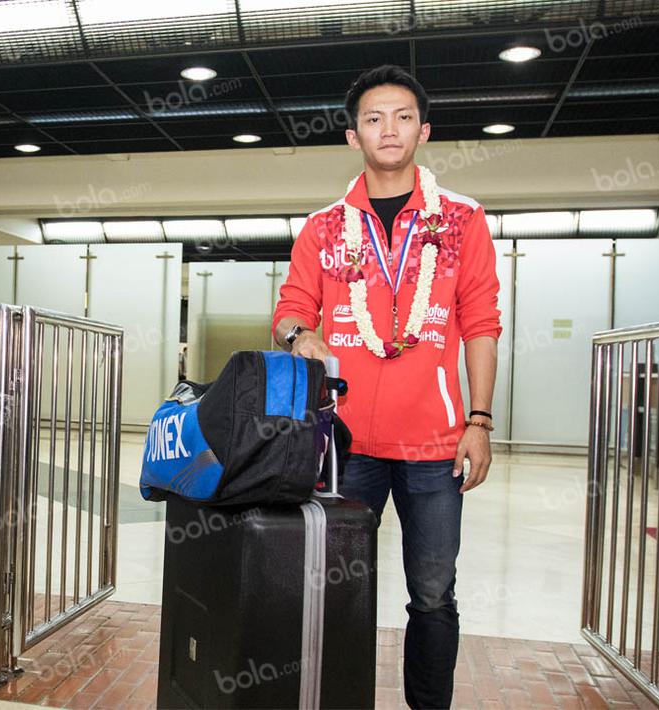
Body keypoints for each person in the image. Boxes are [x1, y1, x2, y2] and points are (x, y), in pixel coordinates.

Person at [272, 65, 501, 709]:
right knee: (338, 590)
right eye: (373, 118)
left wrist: (479, 422)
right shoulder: (323, 227)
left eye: (402, 117)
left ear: (423, 131)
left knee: (432, 593)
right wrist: (300, 338)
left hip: (436, 444)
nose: (388, 129)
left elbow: (482, 323)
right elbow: (289, 309)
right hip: (346, 446)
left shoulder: (462, 221)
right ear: (353, 137)